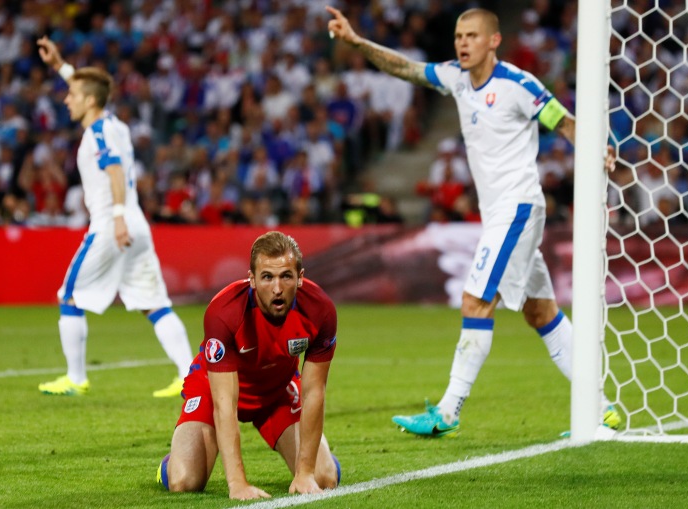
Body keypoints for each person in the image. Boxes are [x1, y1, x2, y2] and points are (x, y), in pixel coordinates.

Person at [326, 6, 621, 437]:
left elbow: (563, 120)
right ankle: (602, 407)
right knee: (541, 312)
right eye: (459, 35)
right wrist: (356, 42)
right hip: (501, 214)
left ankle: (448, 410)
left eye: (471, 35)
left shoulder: (517, 84)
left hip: (517, 208)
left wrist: (596, 149)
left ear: (493, 41)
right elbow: (406, 68)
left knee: (474, 301)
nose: (462, 43)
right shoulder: (455, 78)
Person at [35, 37, 193, 398]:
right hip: (137, 224)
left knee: (69, 296)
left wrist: (117, 216)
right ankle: (189, 375)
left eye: (71, 95)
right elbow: (87, 89)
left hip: (112, 223)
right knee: (155, 304)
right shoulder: (114, 124)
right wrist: (61, 65)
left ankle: (76, 378)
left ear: (89, 101)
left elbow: (116, 170)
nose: (66, 99)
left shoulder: (98, 133)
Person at [157, 231, 340, 500]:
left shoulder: (320, 311)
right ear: (252, 279)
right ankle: (170, 463)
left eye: (286, 276)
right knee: (184, 481)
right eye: (267, 277)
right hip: (214, 389)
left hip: (277, 392)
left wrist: (305, 473)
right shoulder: (225, 312)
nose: (277, 288)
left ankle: (323, 463)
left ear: (300, 278)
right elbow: (224, 403)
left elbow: (314, 393)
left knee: (324, 478)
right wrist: (237, 483)